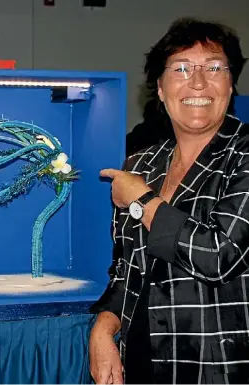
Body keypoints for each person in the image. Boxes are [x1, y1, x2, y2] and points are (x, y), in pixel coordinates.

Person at [89, 18, 249, 384]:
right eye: (180, 68)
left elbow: (218, 256)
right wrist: (103, 327)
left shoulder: (242, 157)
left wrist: (143, 201)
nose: (197, 82)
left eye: (214, 68)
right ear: (159, 89)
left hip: (220, 367)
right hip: (144, 361)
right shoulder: (141, 164)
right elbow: (126, 268)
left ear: (230, 84)